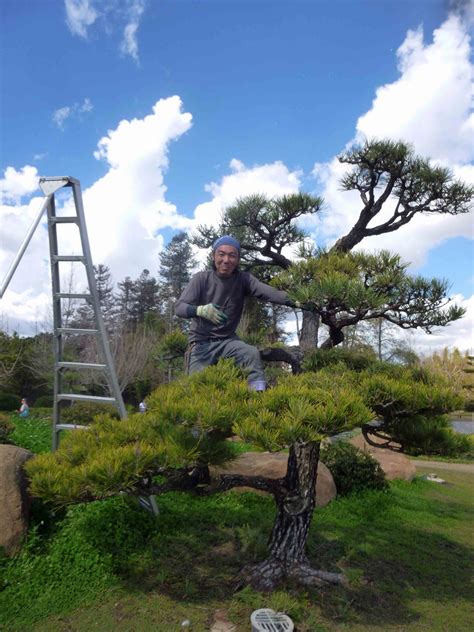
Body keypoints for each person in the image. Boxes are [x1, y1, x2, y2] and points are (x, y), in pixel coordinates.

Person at [175, 235, 299, 391]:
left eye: (232, 255)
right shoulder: (201, 279)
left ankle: (258, 395)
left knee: (250, 353)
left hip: (228, 342)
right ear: (214, 256)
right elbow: (179, 307)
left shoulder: (243, 280)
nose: (226, 260)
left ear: (238, 259)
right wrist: (199, 310)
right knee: (195, 390)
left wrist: (299, 299)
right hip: (201, 344)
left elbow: (269, 292)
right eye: (221, 254)